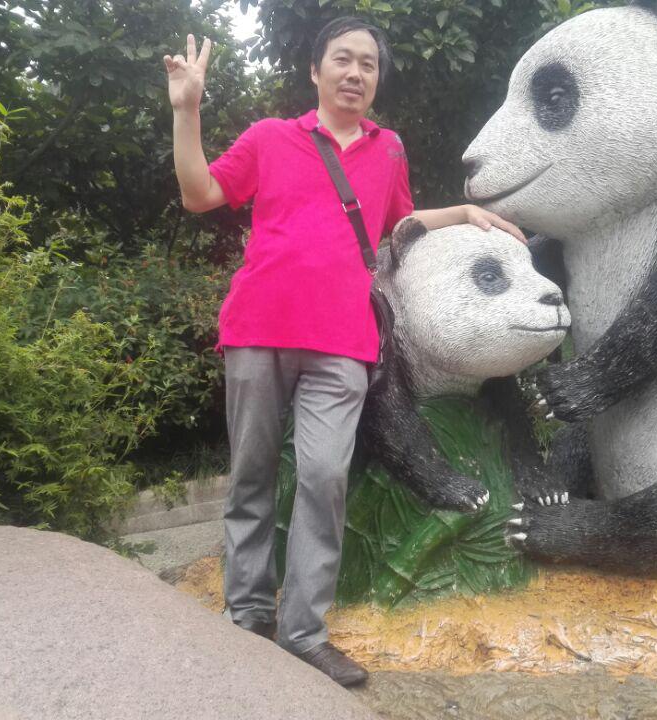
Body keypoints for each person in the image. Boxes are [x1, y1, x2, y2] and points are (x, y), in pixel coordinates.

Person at [165, 16, 525, 686]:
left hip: (342, 342)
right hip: (258, 330)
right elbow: (199, 193)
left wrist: (461, 214)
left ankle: (304, 633)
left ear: (376, 78)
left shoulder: (389, 151)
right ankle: (247, 615)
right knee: (251, 475)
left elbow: (396, 227)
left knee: (324, 477)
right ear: (316, 69)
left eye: (368, 64)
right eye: (343, 59)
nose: (355, 73)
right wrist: (187, 111)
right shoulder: (270, 137)